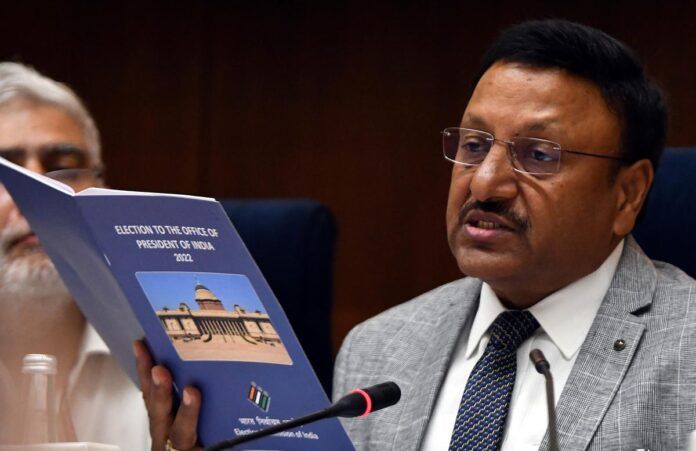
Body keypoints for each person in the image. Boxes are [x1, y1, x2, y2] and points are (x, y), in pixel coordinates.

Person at [136, 19, 696, 451]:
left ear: (627, 195)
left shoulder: (685, 349)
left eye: (538, 155)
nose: (486, 183)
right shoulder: (379, 349)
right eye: (474, 145)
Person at [0, 62, 150, 449]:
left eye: (63, 170)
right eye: (6, 175)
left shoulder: (166, 357)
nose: (35, 199)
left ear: (102, 191)